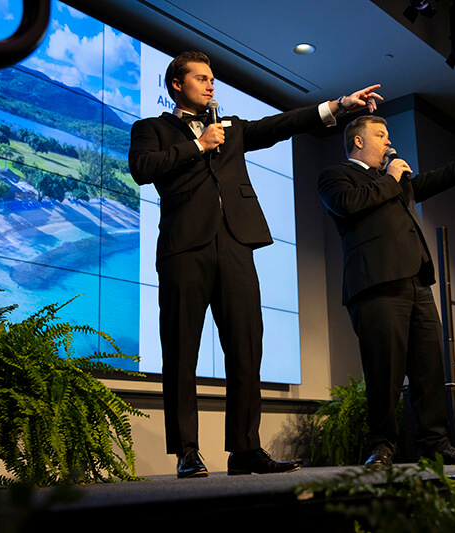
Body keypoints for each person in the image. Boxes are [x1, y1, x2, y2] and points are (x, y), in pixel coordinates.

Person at [128, 51, 382, 478]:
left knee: (246, 349)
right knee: (180, 352)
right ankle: (187, 452)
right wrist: (197, 145)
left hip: (236, 243)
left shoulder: (231, 127)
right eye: (202, 78)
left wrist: (338, 106)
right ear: (176, 84)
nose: (211, 85)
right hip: (183, 249)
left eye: (213, 79)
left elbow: (281, 126)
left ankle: (244, 449)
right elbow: (141, 169)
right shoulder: (151, 129)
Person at [317, 115, 455, 469]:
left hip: (416, 282)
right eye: (380, 135)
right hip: (376, 285)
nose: (388, 142)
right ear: (359, 142)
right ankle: (381, 446)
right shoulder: (336, 176)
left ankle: (434, 442)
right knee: (385, 371)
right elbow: (349, 205)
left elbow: (437, 179)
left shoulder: (395, 182)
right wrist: (392, 177)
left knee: (429, 369)